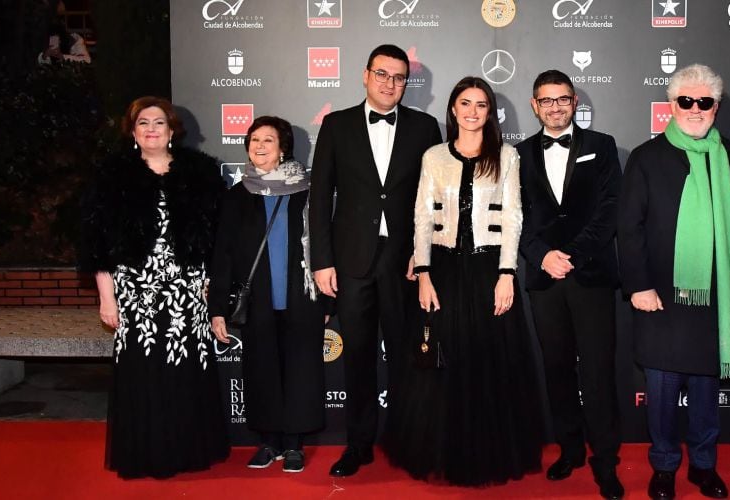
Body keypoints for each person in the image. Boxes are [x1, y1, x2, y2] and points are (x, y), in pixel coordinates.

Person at [382, 76, 545, 486]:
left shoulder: (506, 156)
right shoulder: (434, 156)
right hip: (443, 269)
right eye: (465, 103)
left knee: (490, 364)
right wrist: (423, 272)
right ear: (453, 109)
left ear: (490, 113)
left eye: (481, 105)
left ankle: (487, 453)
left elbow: (513, 218)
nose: (472, 112)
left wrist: (507, 273)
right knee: (439, 362)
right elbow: (421, 216)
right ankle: (440, 450)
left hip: (490, 270)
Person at [309, 44, 442, 477]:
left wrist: (423, 258)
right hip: (351, 260)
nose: (390, 84)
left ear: (408, 83)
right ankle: (358, 444)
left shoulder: (425, 127)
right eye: (382, 74)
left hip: (404, 261)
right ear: (365, 75)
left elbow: (433, 201)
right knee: (358, 357)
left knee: (408, 356)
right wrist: (322, 261)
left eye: (399, 77)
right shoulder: (336, 124)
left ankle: (411, 441)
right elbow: (319, 197)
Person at [79, 96, 228, 478]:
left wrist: (212, 282)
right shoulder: (112, 177)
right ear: (132, 131)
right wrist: (106, 298)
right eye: (143, 122)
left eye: (158, 122)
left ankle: (186, 450)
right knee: (143, 370)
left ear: (172, 129)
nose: (151, 129)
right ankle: (147, 452)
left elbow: (218, 237)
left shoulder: (201, 173)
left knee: (185, 369)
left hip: (188, 290)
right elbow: (99, 245)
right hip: (135, 291)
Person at [617, 64, 730, 500]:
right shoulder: (647, 157)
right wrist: (638, 285)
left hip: (716, 301)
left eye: (704, 102)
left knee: (707, 392)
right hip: (661, 297)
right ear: (671, 106)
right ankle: (665, 466)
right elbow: (629, 228)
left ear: (716, 107)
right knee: (663, 389)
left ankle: (704, 467)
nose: (695, 109)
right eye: (686, 101)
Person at [515, 69, 624, 499]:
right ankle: (571, 449)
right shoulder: (518, 154)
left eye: (563, 99)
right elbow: (514, 215)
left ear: (574, 101)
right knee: (557, 369)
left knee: (597, 372)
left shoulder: (602, 146)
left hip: (591, 275)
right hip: (544, 278)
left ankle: (606, 461)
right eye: (547, 100)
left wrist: (573, 255)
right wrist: (542, 255)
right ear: (534, 105)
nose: (555, 107)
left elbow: (609, 209)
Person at [208, 116, 330, 473]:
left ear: (283, 148)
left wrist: (327, 298)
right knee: (261, 371)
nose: (259, 146)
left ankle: (294, 445)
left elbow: (324, 246)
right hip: (257, 300)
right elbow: (223, 254)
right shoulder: (237, 195)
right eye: (254, 140)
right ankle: (269, 441)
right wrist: (218, 307)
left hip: (301, 297)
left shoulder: (306, 191)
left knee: (301, 372)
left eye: (268, 140)